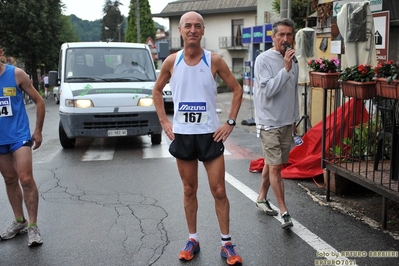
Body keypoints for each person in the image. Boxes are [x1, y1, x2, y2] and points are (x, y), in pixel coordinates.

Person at [152, 11, 243, 265]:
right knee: (189, 189)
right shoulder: (172, 61)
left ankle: (227, 244)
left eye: (197, 26)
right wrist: (164, 122)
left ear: (203, 32)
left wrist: (230, 122)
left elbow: (237, 90)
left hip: (210, 135)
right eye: (188, 26)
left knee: (219, 190)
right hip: (183, 135)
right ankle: (192, 239)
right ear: (180, 31)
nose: (192, 30)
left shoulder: (214, 60)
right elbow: (156, 91)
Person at [252, 18, 300, 230]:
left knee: (273, 163)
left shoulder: (294, 60)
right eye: (281, 34)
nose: (285, 39)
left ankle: (262, 197)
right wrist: (285, 68)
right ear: (273, 37)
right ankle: (284, 210)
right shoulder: (263, 60)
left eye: (289, 35)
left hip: (286, 122)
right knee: (276, 167)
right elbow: (269, 90)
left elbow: (293, 93)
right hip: (269, 122)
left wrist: (295, 119)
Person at [0, 47, 45, 246]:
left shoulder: (16, 74)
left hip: (19, 135)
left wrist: (38, 131)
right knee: (10, 179)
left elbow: (39, 101)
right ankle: (20, 221)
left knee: (25, 178)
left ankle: (33, 227)